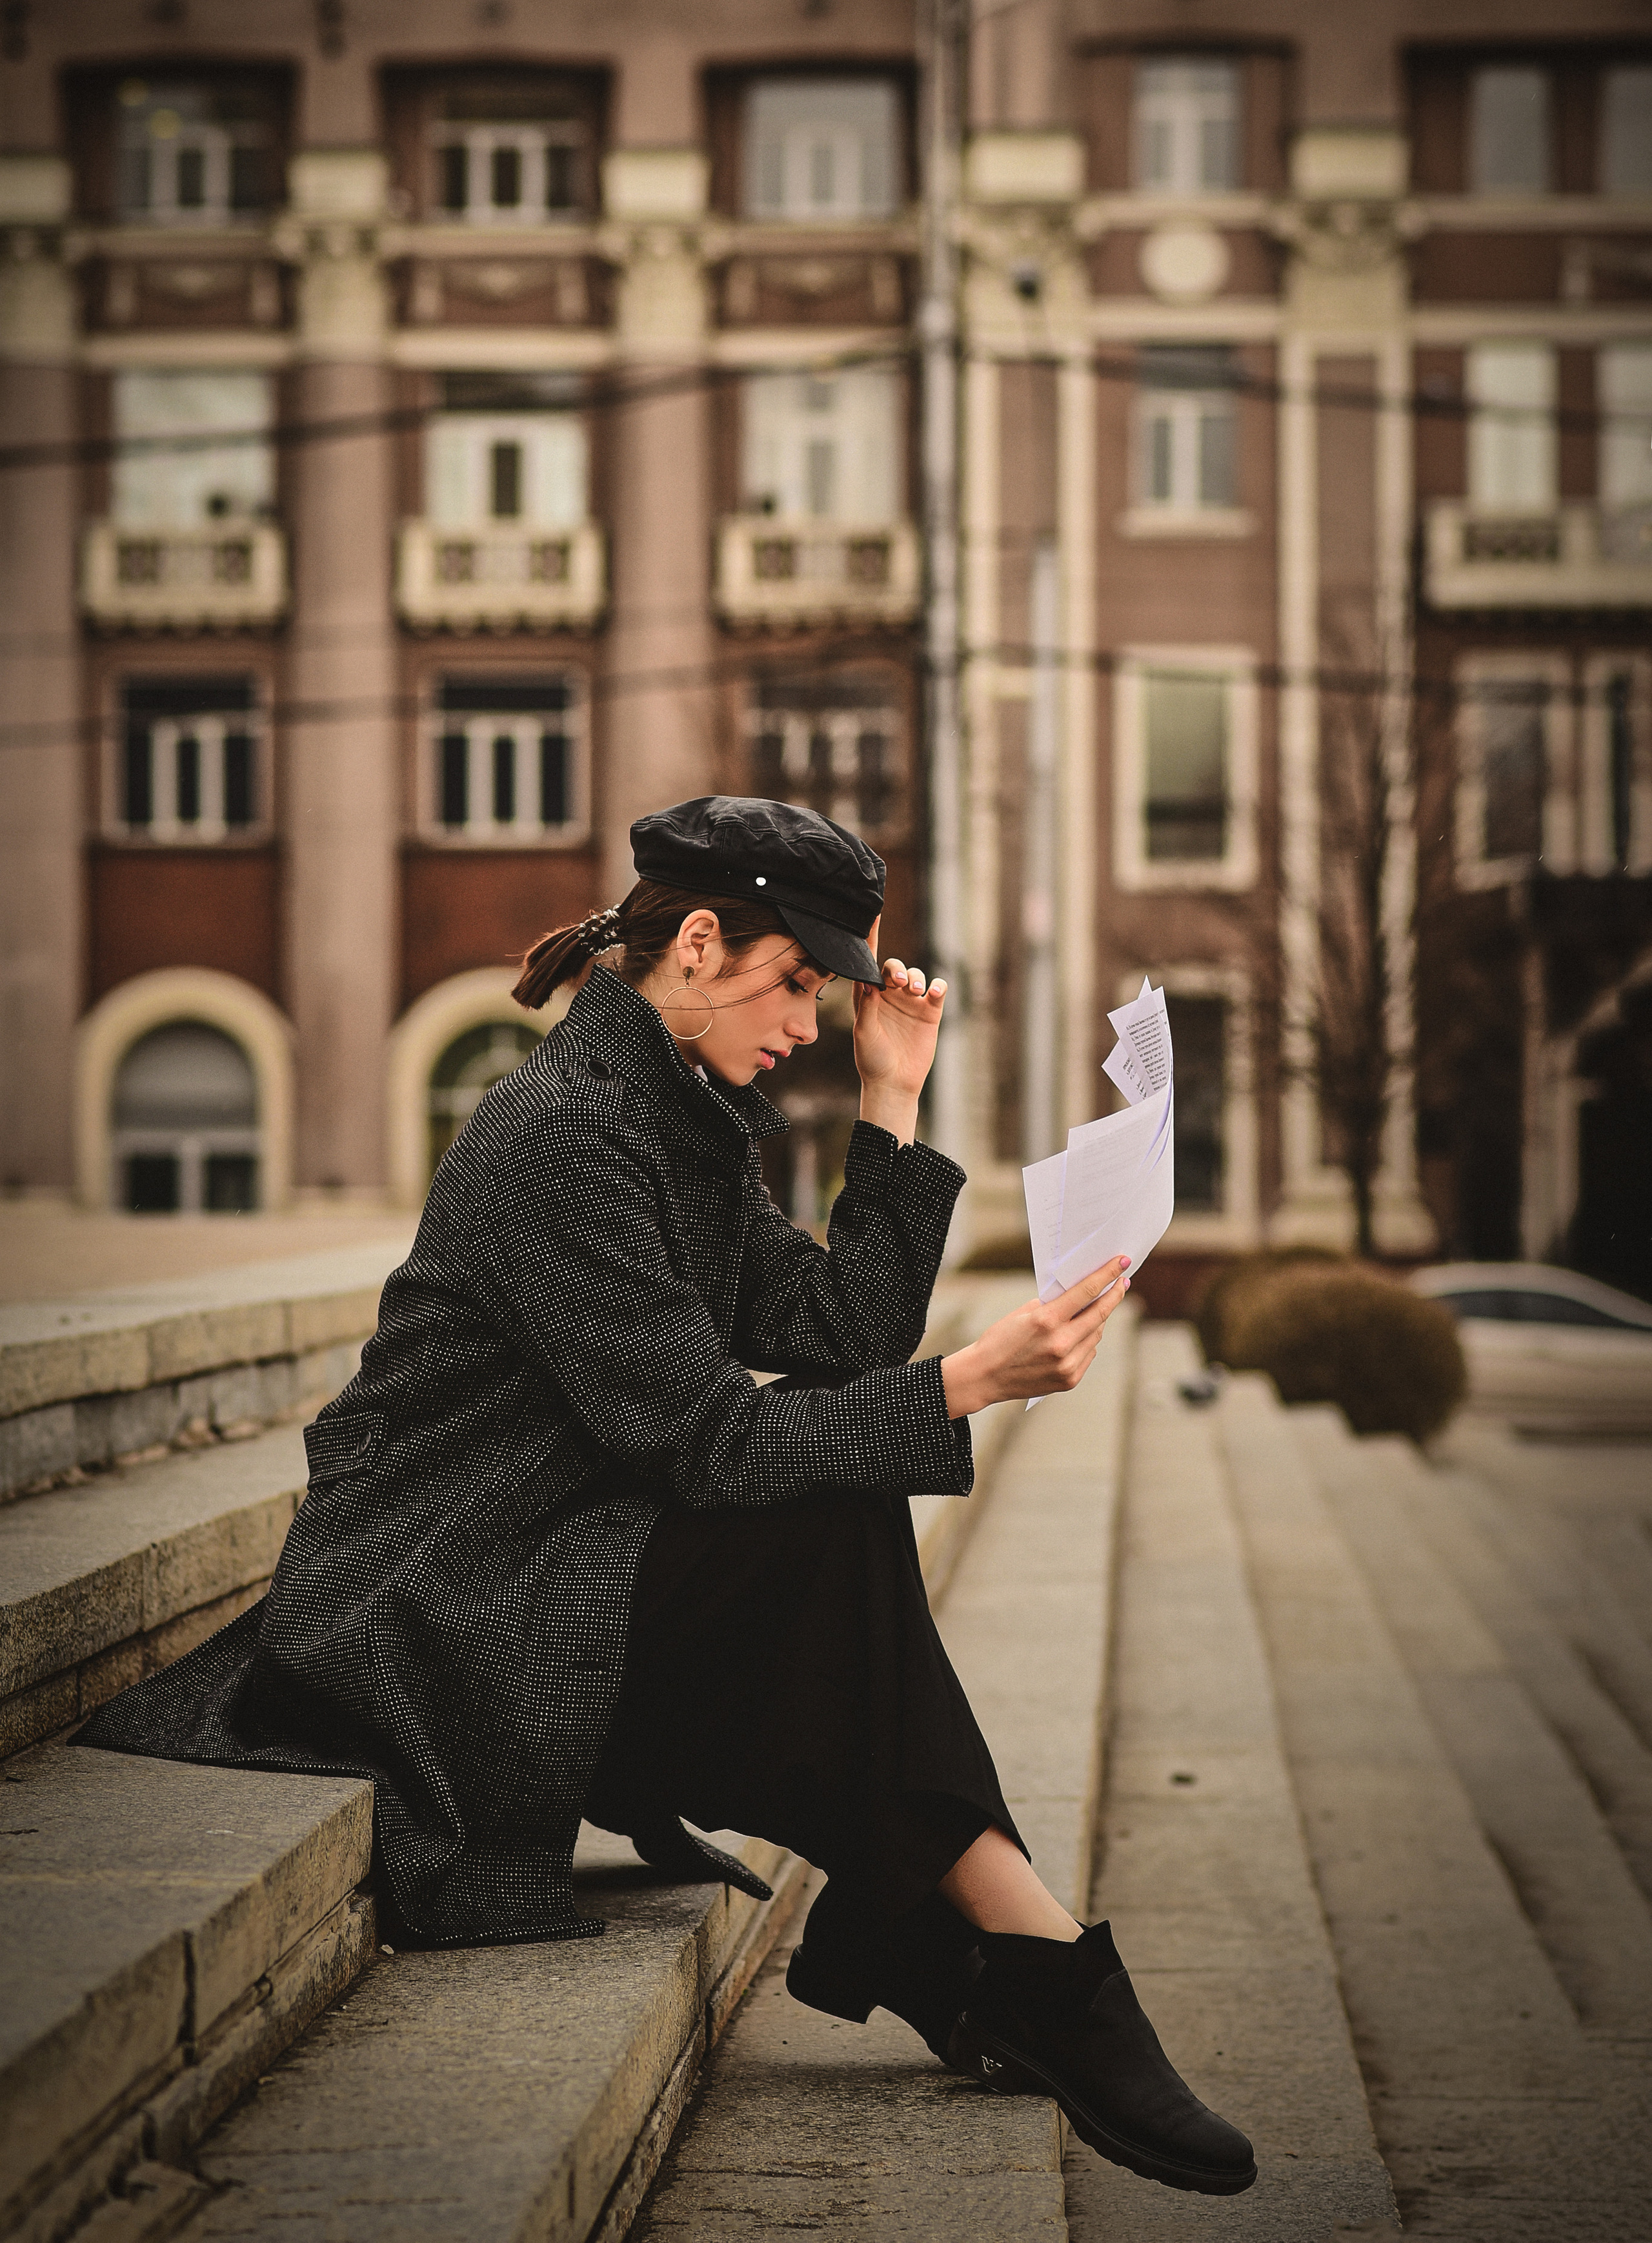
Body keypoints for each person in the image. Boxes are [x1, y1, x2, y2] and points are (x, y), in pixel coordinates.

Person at [74, 795, 1254, 2200]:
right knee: (830, 1497)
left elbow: (834, 1335)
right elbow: (716, 1449)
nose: (808, 1024)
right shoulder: (560, 1138)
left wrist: (895, 1098)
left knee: (841, 1488)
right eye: (795, 984)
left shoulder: (674, 1118)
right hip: (442, 1605)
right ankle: (1017, 1959)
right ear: (697, 942)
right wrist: (968, 1384)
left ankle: (993, 1951)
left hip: (561, 1559)